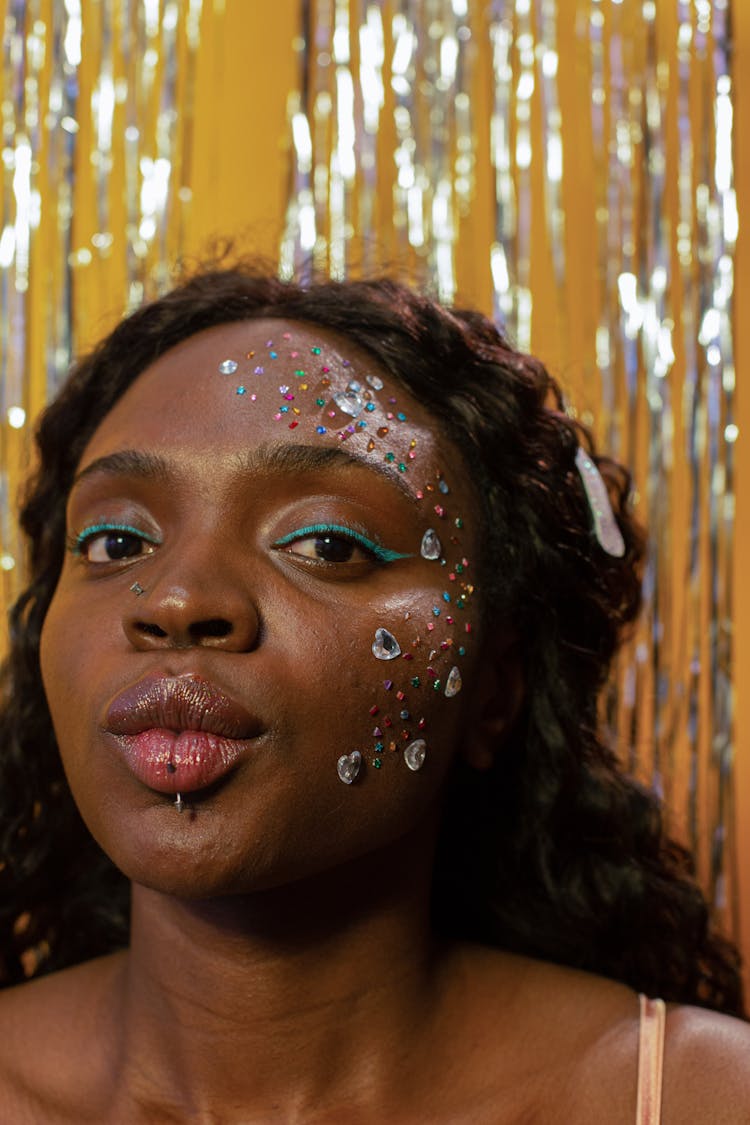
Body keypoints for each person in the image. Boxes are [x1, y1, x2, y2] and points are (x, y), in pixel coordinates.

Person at [0, 264, 747, 1124]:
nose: (177, 600)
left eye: (324, 542)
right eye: (116, 539)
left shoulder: (698, 1097)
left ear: (496, 687)